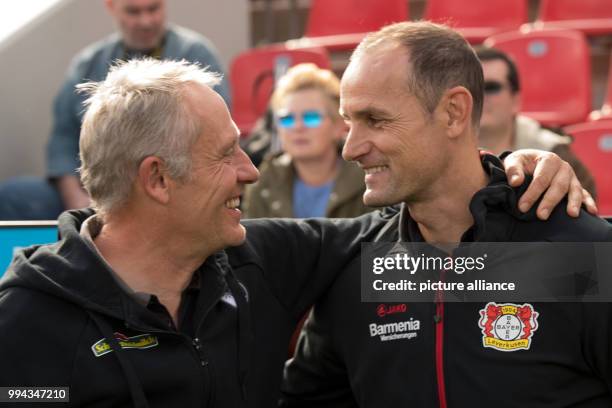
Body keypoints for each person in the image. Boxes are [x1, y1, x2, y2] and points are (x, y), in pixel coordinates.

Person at [0, 63, 596, 406]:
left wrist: (517, 177)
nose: (251, 170)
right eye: (226, 154)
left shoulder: (265, 260)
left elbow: (443, 229)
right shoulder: (27, 323)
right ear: (157, 179)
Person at [280, 21, 612, 407]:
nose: (350, 148)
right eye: (349, 122)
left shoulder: (579, 252)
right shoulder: (357, 268)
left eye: (375, 120)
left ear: (454, 112)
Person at [0, 0, 230, 221]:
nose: (146, 21)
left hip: (171, 185)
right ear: (111, 6)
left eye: (153, 8)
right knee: (15, 195)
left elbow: (215, 136)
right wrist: (77, 200)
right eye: (133, 12)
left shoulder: (195, 55)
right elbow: (63, 141)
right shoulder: (88, 63)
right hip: (99, 189)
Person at [243, 63, 370, 219]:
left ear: (338, 125)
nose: (297, 127)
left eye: (311, 117)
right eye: (287, 119)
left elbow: (389, 243)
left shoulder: (371, 176)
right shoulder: (264, 182)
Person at [475, 46, 597, 197]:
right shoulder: (444, 149)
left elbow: (584, 208)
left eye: (491, 87)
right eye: (474, 87)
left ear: (516, 101)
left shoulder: (553, 150)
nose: (480, 96)